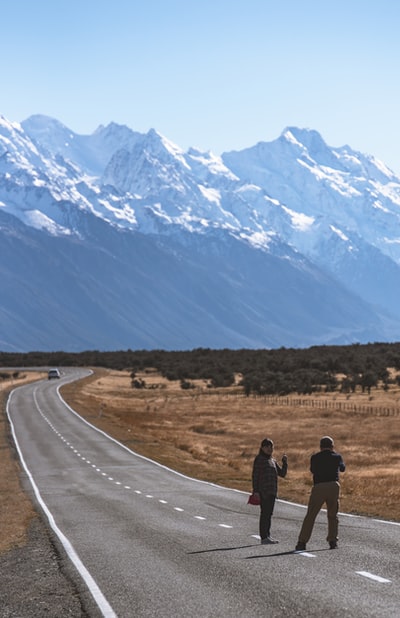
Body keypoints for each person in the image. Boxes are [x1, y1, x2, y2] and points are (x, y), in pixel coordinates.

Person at [295, 436, 346, 551]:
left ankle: (302, 542)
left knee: (311, 514)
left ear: (320, 446)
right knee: (333, 515)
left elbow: (313, 470)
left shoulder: (315, 457)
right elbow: (342, 469)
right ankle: (332, 540)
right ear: (332, 446)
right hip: (333, 486)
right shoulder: (337, 457)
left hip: (319, 486)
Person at [252, 438, 288, 544]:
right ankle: (263, 537)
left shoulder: (272, 461)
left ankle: (267, 535)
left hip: (272, 491)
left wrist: (285, 463)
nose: (269, 449)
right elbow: (255, 475)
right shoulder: (259, 459)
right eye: (267, 446)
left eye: (271, 446)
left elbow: (282, 474)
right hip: (263, 491)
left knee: (269, 514)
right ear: (262, 448)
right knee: (265, 514)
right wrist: (256, 491)